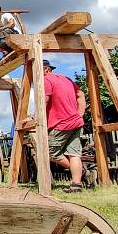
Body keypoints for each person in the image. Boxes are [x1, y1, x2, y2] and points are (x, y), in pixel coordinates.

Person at [27, 60, 87, 193]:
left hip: (60, 123)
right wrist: (80, 114)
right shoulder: (66, 79)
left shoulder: (46, 80)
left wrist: (34, 117)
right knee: (74, 153)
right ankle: (76, 184)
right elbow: (81, 95)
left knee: (50, 153)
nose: (33, 74)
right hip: (76, 122)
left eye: (36, 70)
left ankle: (80, 171)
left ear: (46, 69)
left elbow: (44, 100)